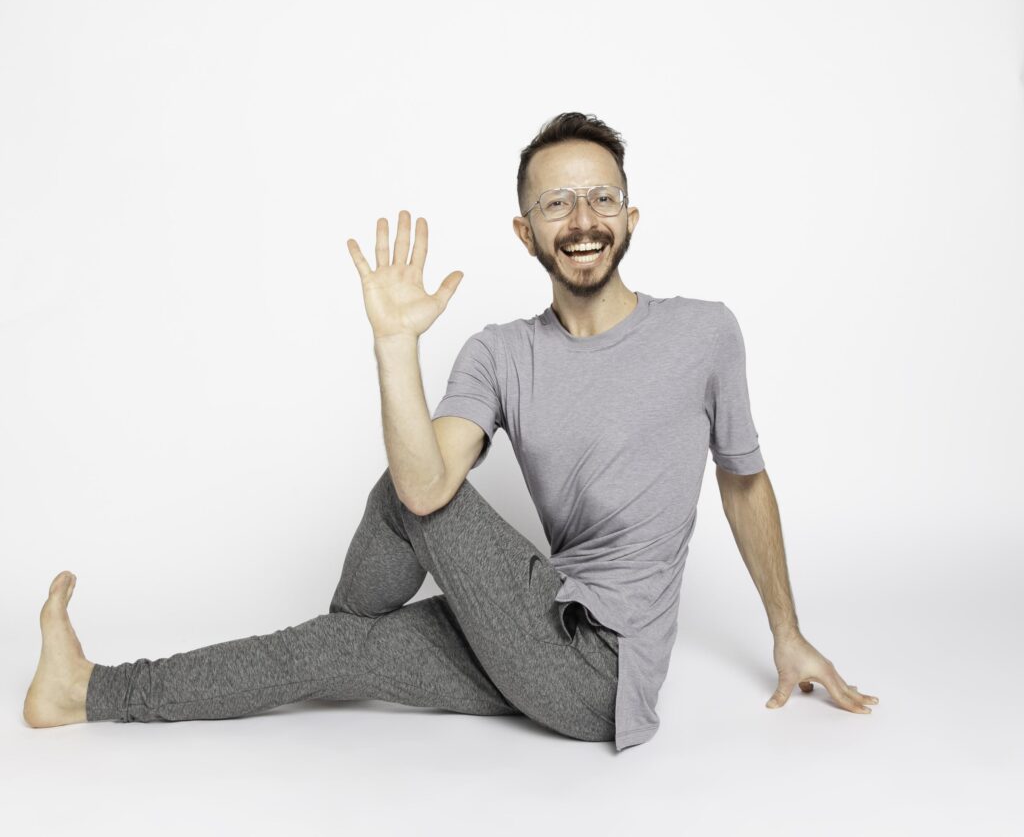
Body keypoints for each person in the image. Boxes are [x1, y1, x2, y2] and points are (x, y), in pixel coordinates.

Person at [23, 111, 878, 749]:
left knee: (401, 497)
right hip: (531, 621)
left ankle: (346, 623)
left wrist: (787, 631)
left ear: (630, 215)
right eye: (555, 203)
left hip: (598, 669)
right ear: (526, 231)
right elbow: (425, 482)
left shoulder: (703, 332)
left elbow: (744, 479)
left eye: (600, 197)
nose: (581, 218)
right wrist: (396, 347)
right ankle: (84, 691)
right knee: (353, 598)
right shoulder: (501, 353)